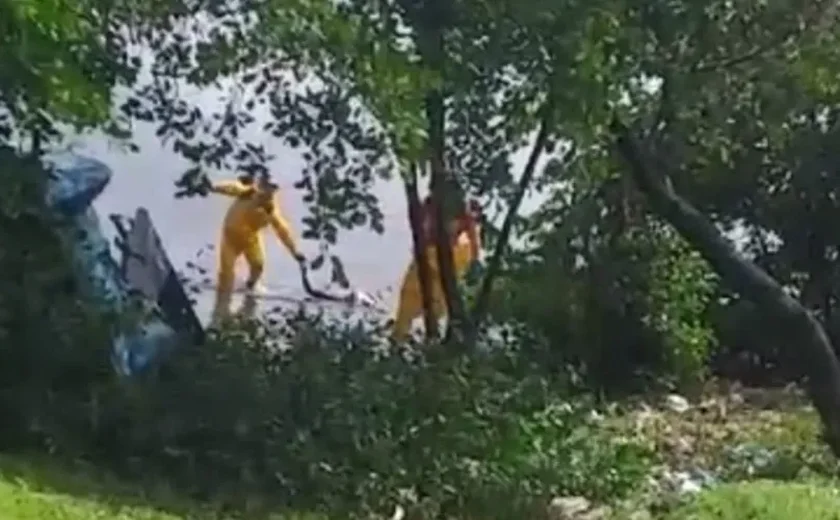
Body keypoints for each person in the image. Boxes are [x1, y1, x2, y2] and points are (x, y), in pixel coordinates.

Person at [205, 175, 305, 324]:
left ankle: (250, 288)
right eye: (265, 187)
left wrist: (295, 252)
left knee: (258, 265)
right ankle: (220, 310)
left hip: (250, 239)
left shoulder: (270, 210)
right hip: (230, 238)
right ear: (260, 186)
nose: (267, 192)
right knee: (227, 273)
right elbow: (231, 188)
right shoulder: (247, 193)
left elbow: (283, 231)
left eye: (271, 189)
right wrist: (212, 187)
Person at [391, 193, 483, 340]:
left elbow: (473, 247)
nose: (428, 223)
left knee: (432, 317)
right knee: (406, 317)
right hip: (426, 273)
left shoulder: (461, 250)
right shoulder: (431, 251)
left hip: (439, 275)